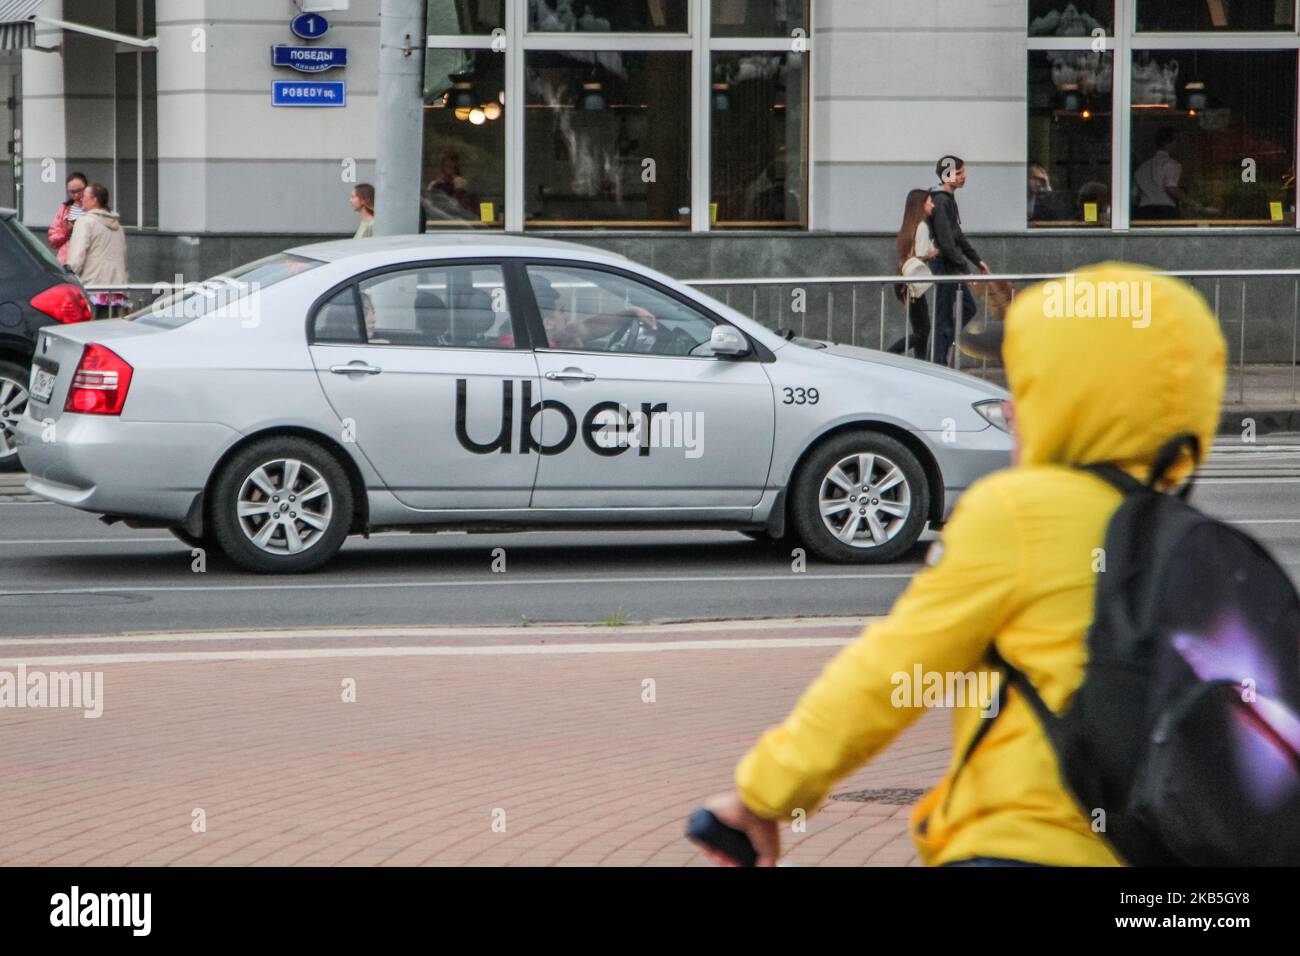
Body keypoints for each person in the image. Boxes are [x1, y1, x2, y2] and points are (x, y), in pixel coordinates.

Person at [697, 262, 1226, 867]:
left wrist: (764, 794)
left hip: (1021, 850)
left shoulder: (1020, 516)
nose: (1009, 410)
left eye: (1026, 385)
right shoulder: (1196, 542)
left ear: (1069, 397)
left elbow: (890, 674)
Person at [929, 155, 989, 366]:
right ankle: (937, 359)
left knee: (964, 308)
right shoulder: (941, 201)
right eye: (959, 173)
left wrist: (976, 260)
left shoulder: (946, 200)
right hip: (945, 264)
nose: (964, 177)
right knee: (945, 313)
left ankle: (940, 347)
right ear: (947, 175)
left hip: (951, 263)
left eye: (963, 172)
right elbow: (947, 240)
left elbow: (957, 235)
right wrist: (965, 268)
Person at [886, 189, 939, 361]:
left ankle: (920, 363)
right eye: (929, 201)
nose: (932, 205)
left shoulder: (908, 226)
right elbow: (922, 252)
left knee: (921, 329)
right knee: (923, 330)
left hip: (905, 283)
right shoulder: (922, 226)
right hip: (914, 284)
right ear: (920, 205)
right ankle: (890, 354)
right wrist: (933, 253)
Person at [65, 183, 128, 316]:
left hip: (93, 287)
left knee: (89, 331)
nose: (81, 199)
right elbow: (124, 258)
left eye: (84, 196)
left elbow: (77, 256)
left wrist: (67, 277)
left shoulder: (85, 222)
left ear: (94, 200)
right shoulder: (118, 227)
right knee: (111, 331)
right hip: (116, 289)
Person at [1132, 128, 1185, 221]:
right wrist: (1193, 203)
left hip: (1143, 212)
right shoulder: (1171, 164)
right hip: (1165, 212)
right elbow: (1171, 187)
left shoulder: (1143, 167)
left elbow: (1134, 194)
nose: (1178, 145)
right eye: (1177, 141)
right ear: (1170, 142)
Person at [47, 171, 88, 265]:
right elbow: (53, 239)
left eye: (80, 190)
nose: (76, 195)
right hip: (67, 258)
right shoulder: (65, 209)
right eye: (72, 192)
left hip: (88, 258)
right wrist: (66, 231)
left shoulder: (93, 208)